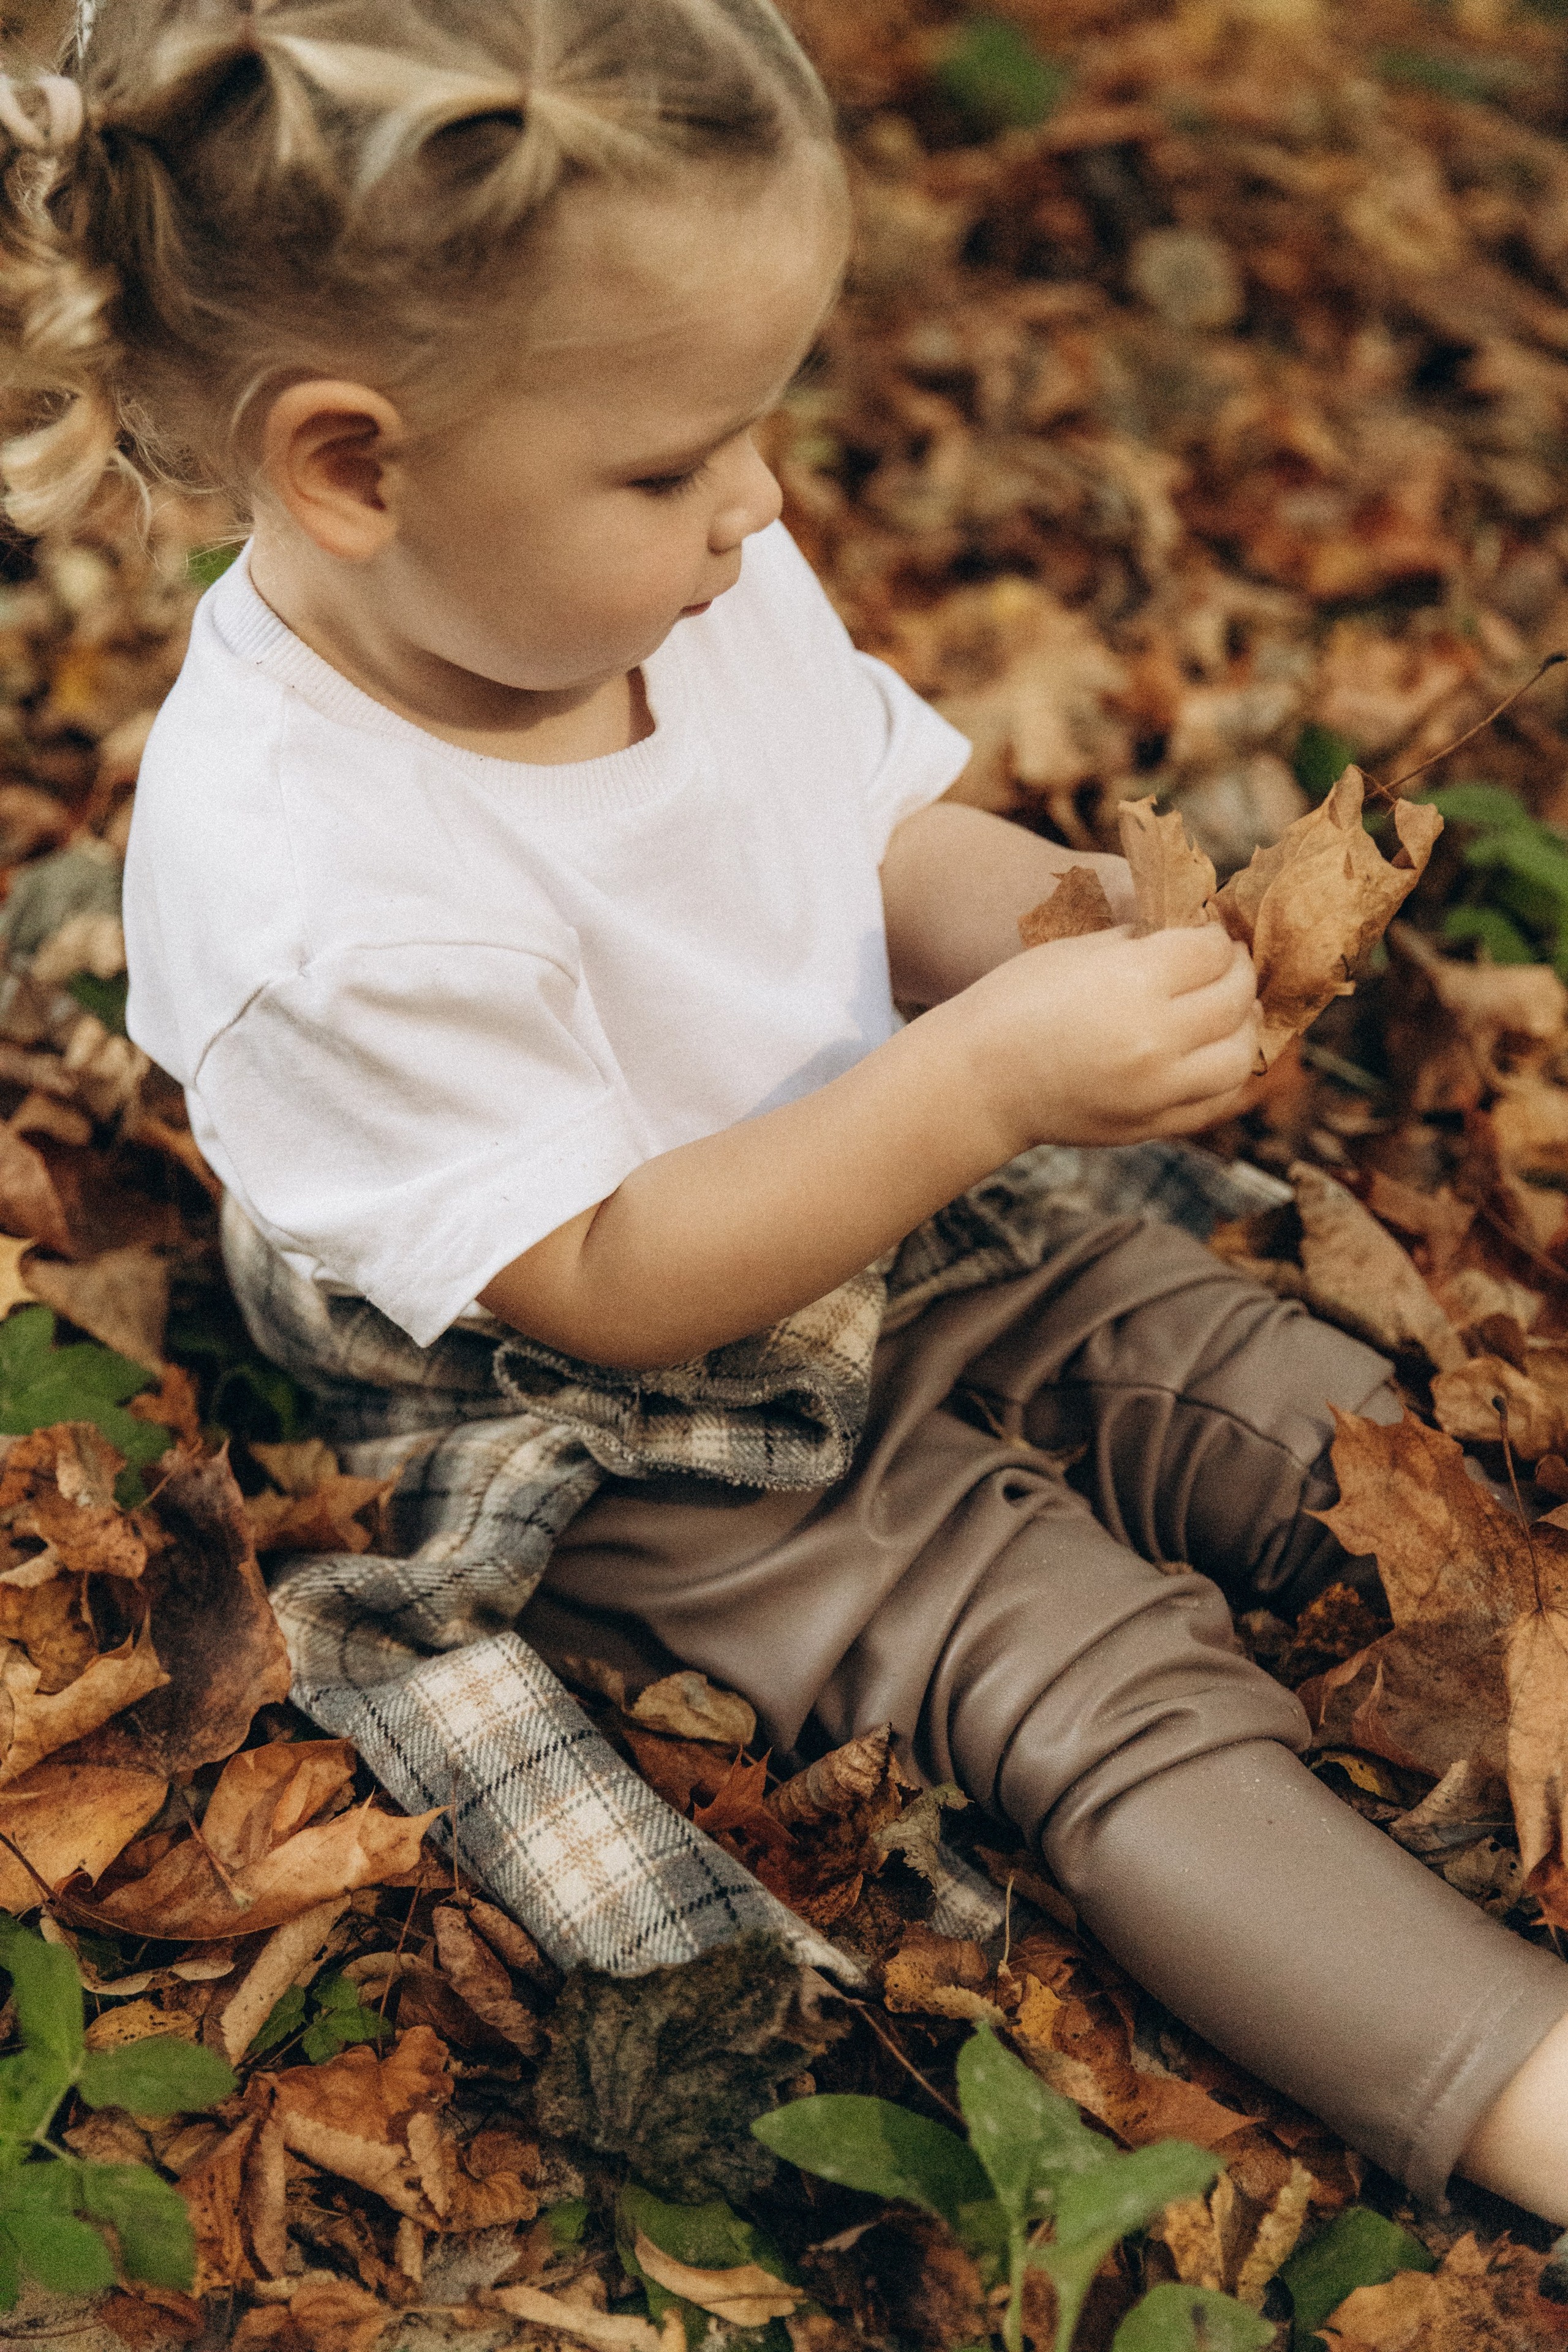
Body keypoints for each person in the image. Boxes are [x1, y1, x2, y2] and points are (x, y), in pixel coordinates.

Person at [2, 0, 1562, 2222]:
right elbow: (612, 1279)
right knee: (1070, 1669)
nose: (755, 504)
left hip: (919, 1213)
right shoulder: (306, 877)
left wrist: (1060, 918)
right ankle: (1514, 2079)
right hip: (627, 1419)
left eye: (759, 428)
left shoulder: (677, 577)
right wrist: (992, 1074)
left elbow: (863, 834)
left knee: (1283, 1402)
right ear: (354, 464)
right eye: (670, 462)